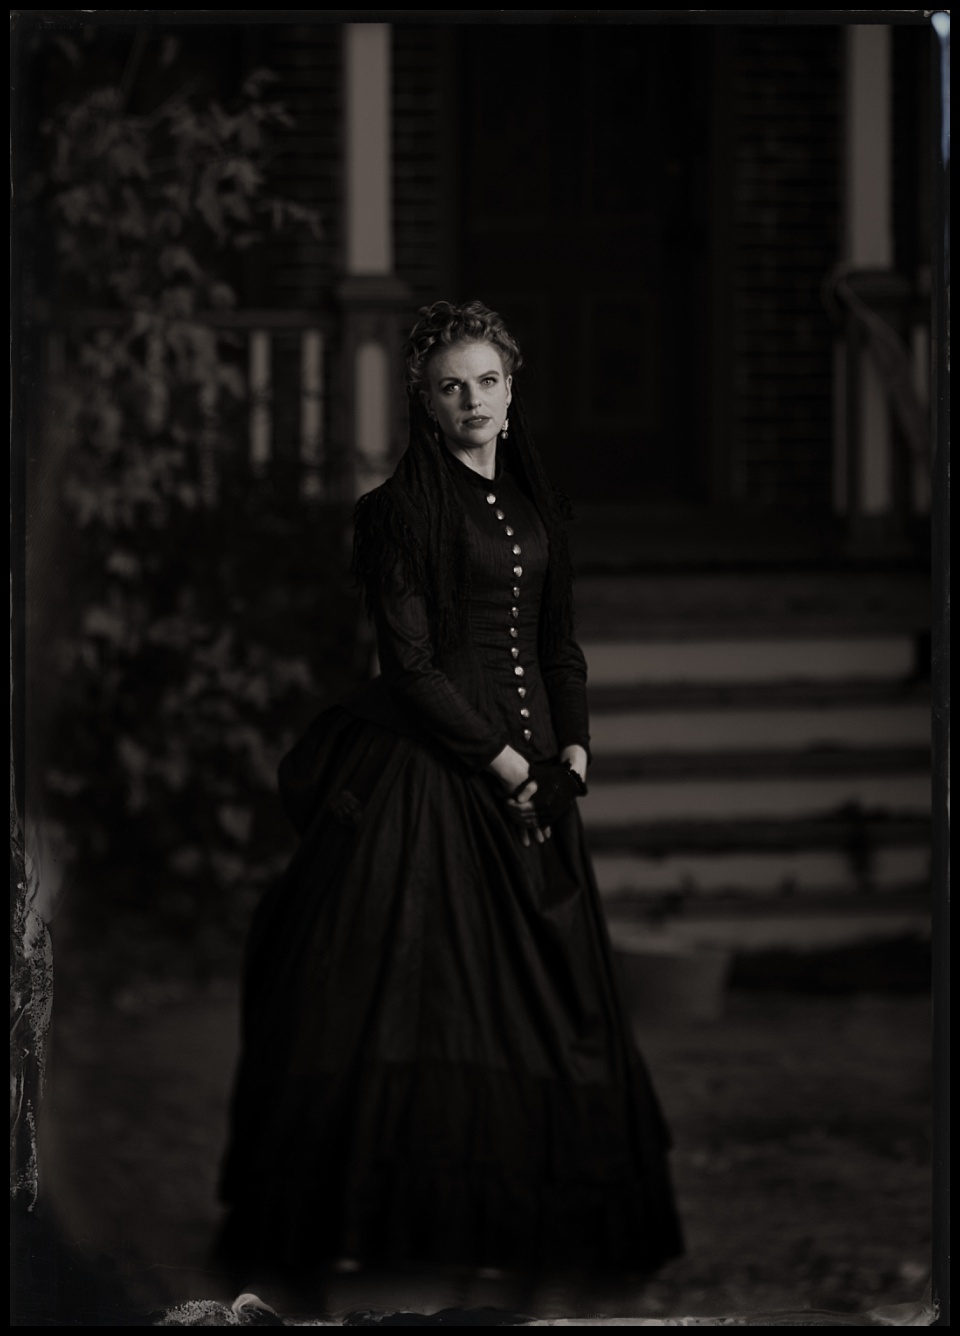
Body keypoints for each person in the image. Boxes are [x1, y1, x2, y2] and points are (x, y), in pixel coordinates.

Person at [215, 300, 684, 1305]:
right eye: (449, 386)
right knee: (421, 996)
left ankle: (509, 1239)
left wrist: (575, 756)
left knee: (542, 1006)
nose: (471, 400)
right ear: (425, 405)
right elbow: (413, 667)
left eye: (487, 381)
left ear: (513, 393)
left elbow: (560, 644)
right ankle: (389, 1247)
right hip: (434, 779)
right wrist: (514, 768)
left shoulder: (538, 508)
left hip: (541, 779)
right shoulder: (396, 514)